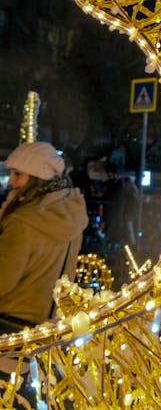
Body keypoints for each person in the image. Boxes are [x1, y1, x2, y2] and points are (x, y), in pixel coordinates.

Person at [0, 141, 88, 404]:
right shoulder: (71, 213)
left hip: (8, 325)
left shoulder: (23, 221)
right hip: (47, 326)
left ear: (38, 177)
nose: (11, 181)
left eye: (18, 174)